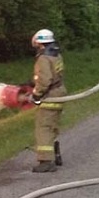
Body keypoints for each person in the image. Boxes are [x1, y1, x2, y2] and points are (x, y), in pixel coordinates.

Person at [29, 28, 67, 173]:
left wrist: (37, 94)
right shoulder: (56, 55)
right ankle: (55, 155)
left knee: (44, 128)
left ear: (40, 44)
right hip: (59, 92)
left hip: (50, 95)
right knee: (52, 127)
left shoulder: (43, 58)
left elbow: (45, 80)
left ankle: (45, 161)